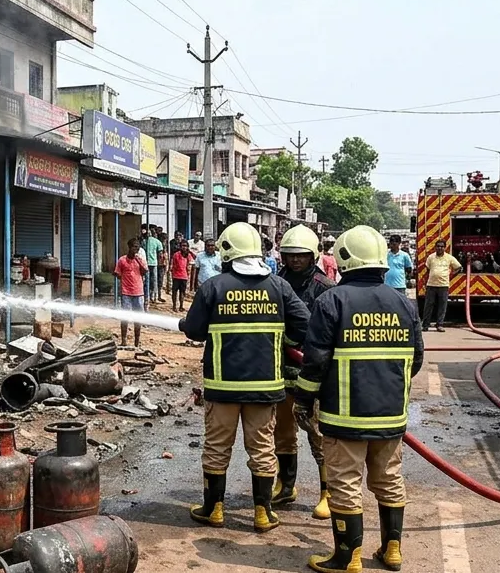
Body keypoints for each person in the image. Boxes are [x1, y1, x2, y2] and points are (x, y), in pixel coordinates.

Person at [294, 225, 423, 573]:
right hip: (390, 417)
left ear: (344, 258)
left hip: (344, 417)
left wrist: (303, 401)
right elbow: (417, 359)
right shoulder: (403, 302)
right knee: (389, 480)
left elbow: (315, 361)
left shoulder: (332, 300)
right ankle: (392, 550)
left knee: (345, 484)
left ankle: (347, 558)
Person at [180, 222, 310, 533]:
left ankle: (213, 510)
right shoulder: (279, 287)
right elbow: (306, 324)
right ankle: (262, 513)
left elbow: (196, 331)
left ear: (226, 251)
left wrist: (186, 323)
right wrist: (284, 339)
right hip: (265, 388)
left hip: (223, 388)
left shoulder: (213, 287)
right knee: (262, 448)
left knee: (216, 447)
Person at [273, 225, 337, 519]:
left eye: (301, 256)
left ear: (312, 256)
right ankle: (286, 486)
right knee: (283, 431)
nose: (295, 261)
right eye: (290, 256)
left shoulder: (325, 288)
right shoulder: (275, 282)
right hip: (280, 373)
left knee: (318, 434)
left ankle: (328, 493)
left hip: (311, 374)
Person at [114, 238, 147, 347]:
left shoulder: (140, 259)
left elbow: (145, 272)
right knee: (125, 317)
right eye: (134, 247)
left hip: (138, 292)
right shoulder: (122, 260)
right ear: (129, 247)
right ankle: (124, 340)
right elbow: (117, 273)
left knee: (138, 318)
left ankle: (137, 341)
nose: (136, 249)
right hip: (126, 292)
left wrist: (139, 261)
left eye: (138, 247)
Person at [422, 240, 460, 332]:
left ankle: (439, 325)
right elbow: (427, 269)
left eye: (442, 246)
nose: (440, 248)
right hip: (431, 285)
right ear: (435, 247)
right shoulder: (431, 257)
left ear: (445, 247)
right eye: (438, 246)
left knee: (442, 306)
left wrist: (450, 276)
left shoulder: (449, 258)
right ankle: (425, 325)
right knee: (428, 305)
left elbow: (458, 267)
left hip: (444, 285)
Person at [143, 228, 165, 305]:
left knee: (147, 280)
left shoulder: (144, 241)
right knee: (154, 281)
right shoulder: (157, 241)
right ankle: (154, 297)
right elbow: (160, 254)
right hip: (154, 263)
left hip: (146, 263)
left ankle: (147, 296)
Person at [170, 242, 192, 312]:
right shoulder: (176, 254)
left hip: (184, 276)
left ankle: (181, 306)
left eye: (185, 246)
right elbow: (173, 265)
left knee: (182, 292)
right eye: (182, 246)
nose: (184, 247)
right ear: (180, 246)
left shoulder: (188, 255)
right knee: (174, 292)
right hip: (176, 276)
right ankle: (174, 306)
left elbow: (190, 264)